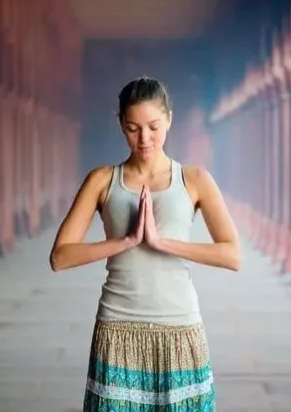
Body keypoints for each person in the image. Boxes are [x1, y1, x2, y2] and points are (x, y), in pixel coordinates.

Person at [49, 76, 241, 411]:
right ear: (121, 126)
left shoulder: (195, 180)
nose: (144, 138)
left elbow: (232, 255)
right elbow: (60, 257)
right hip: (117, 326)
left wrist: (162, 243)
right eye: (133, 128)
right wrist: (127, 240)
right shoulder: (102, 180)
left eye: (153, 126)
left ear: (169, 118)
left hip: (179, 325)